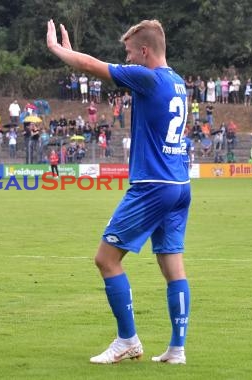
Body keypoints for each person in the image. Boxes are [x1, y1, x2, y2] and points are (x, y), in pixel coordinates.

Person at [47, 19, 191, 365]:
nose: (127, 60)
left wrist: (58, 50)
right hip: (179, 184)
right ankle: (177, 349)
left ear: (144, 51)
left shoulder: (148, 76)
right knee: (173, 266)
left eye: (129, 53)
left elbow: (91, 66)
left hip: (151, 185)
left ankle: (127, 340)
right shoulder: (178, 82)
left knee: (106, 259)